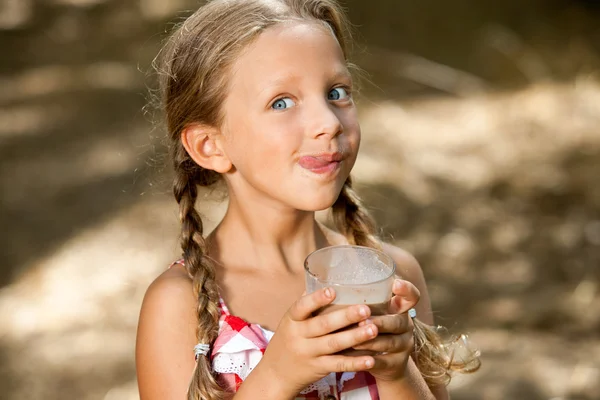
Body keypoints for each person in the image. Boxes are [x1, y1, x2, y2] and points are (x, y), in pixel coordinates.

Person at [135, 0, 480, 399]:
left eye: (337, 92)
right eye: (281, 102)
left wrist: (396, 370)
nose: (329, 123)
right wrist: (279, 374)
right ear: (210, 145)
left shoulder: (393, 276)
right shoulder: (179, 304)